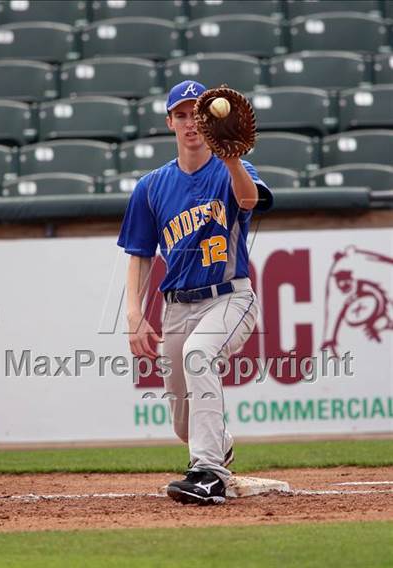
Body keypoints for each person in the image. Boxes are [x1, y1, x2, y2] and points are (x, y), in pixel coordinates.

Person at [117, 80, 273, 505]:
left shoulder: (232, 169)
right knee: (184, 425)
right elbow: (140, 255)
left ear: (209, 121)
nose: (190, 123)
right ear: (169, 122)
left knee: (199, 355)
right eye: (181, 114)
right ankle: (215, 445)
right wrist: (134, 313)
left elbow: (248, 202)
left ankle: (208, 474)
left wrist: (235, 159)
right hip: (176, 309)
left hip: (230, 297)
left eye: (196, 114)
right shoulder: (151, 186)